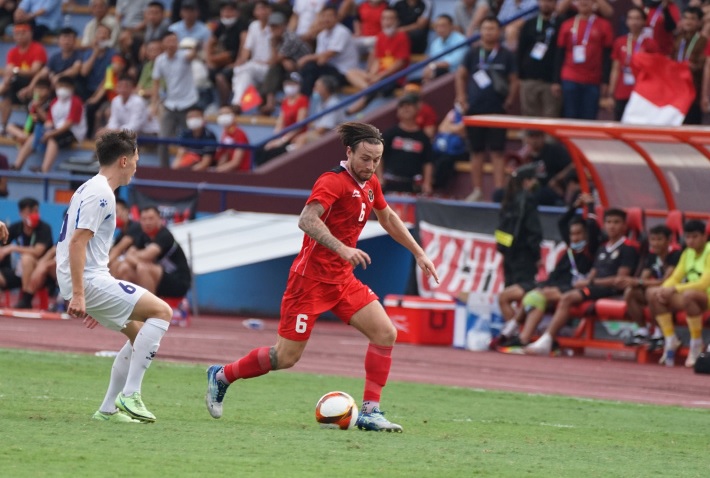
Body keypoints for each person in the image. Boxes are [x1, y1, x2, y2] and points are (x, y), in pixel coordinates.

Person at [204, 122, 440, 431]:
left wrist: (419, 252)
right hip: (310, 282)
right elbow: (306, 219)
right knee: (285, 357)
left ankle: (370, 411)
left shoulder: (370, 184)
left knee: (385, 333)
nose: (370, 166)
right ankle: (222, 375)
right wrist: (342, 248)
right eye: (365, 159)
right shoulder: (332, 182)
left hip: (342, 280)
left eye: (376, 160)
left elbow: (388, 217)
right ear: (349, 152)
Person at [56, 130, 173, 423]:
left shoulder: (88, 188)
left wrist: (92, 298)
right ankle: (130, 394)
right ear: (123, 161)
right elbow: (77, 242)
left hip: (88, 279)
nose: (137, 165)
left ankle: (107, 410)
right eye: (135, 159)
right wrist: (82, 294)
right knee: (162, 311)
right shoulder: (102, 195)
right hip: (88, 279)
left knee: (138, 335)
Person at [524, 208, 640, 355]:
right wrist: (586, 280)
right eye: (609, 222)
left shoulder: (628, 248)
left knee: (568, 297)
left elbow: (619, 280)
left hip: (609, 289)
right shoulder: (603, 248)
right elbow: (594, 272)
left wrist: (593, 282)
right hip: (594, 287)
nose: (612, 226)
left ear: (624, 226)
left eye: (616, 222)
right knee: (549, 294)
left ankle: (547, 339)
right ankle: (528, 335)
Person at [496, 194, 599, 347]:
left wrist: (590, 206)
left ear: (586, 235)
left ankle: (520, 337)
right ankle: (515, 334)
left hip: (567, 287)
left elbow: (592, 227)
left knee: (536, 297)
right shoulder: (570, 247)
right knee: (504, 296)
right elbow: (562, 222)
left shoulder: (589, 250)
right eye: (572, 234)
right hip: (549, 283)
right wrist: (574, 207)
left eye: (579, 234)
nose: (575, 238)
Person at [455, 16, 518, 202]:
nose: (488, 32)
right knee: (476, 151)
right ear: (480, 31)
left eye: (492, 29)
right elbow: (461, 76)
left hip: (497, 110)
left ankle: (499, 192)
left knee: (498, 151)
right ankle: (477, 190)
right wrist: (462, 98)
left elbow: (514, 81)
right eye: (485, 28)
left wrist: (509, 100)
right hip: (475, 110)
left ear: (499, 32)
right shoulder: (472, 53)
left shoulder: (507, 55)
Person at [647, 220, 709, 368]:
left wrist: (674, 289)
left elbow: (703, 284)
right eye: (688, 237)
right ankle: (670, 339)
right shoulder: (687, 253)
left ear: (704, 236)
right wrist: (664, 289)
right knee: (653, 293)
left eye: (695, 237)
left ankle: (696, 343)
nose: (691, 241)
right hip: (691, 296)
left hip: (705, 296)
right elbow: (675, 277)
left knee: (689, 295)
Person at [617, 224, 680, 346]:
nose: (655, 243)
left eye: (659, 239)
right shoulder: (652, 255)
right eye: (653, 239)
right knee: (631, 291)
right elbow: (643, 278)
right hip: (657, 291)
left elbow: (666, 281)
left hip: (673, 293)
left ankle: (659, 332)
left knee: (652, 292)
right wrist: (631, 282)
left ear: (669, 240)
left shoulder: (676, 254)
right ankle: (642, 330)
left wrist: (639, 282)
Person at [553, 0, 613, 120]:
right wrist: (556, 81)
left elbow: (608, 56)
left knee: (589, 117)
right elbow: (559, 54)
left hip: (593, 79)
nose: (584, 2)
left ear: (594, 4)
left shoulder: (604, 25)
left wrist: (606, 81)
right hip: (570, 77)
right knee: (570, 115)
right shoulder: (567, 24)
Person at [115, 206, 192, 300]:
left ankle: (149, 311)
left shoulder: (165, 235)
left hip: (178, 281)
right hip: (158, 279)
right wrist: (135, 258)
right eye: (144, 219)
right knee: (125, 267)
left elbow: (147, 255)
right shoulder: (143, 236)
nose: (147, 222)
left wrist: (135, 257)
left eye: (151, 219)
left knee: (143, 268)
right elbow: (128, 255)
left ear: (160, 220)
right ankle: (127, 306)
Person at [13, 76, 87, 173]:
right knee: (35, 136)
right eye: (60, 86)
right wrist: (45, 132)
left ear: (72, 88)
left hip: (73, 132)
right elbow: (49, 121)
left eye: (66, 86)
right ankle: (17, 165)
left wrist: (50, 134)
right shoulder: (55, 102)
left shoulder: (76, 102)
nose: (62, 89)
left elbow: (69, 124)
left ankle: (44, 169)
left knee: (53, 139)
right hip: (56, 129)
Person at [344, 8, 411, 115]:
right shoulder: (380, 36)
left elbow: (400, 63)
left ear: (397, 21)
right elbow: (377, 60)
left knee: (379, 83)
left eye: (390, 19)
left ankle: (356, 107)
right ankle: (369, 88)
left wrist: (379, 76)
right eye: (384, 19)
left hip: (395, 77)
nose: (387, 22)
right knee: (351, 73)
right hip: (380, 75)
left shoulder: (402, 36)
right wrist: (372, 74)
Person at [151, 31, 199, 168]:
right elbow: (156, 83)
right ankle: (164, 170)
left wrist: (195, 47)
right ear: (163, 43)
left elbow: (192, 55)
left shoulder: (184, 56)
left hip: (188, 104)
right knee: (163, 140)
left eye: (175, 40)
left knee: (189, 141)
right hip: (170, 104)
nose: (172, 43)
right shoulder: (160, 60)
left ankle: (188, 169)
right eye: (169, 40)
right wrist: (154, 104)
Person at [603, 7, 658, 121]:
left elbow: (654, 71)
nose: (634, 22)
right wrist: (611, 93)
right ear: (627, 21)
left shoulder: (650, 44)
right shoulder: (620, 42)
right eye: (631, 18)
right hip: (622, 91)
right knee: (620, 123)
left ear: (644, 21)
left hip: (641, 93)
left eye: (637, 18)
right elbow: (615, 68)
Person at [495, 163, 542, 291]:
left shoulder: (508, 199)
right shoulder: (528, 200)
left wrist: (506, 250)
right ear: (526, 181)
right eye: (534, 180)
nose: (536, 183)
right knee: (522, 292)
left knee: (509, 291)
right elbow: (534, 231)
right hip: (524, 256)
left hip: (509, 256)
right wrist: (537, 256)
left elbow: (500, 231)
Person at [0, 197, 53, 308]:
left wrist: (13, 248)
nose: (34, 214)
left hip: (41, 273)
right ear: (21, 213)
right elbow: (3, 246)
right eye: (30, 211)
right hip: (20, 273)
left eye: (36, 211)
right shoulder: (15, 228)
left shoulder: (44, 228)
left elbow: (38, 251)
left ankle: (25, 299)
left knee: (27, 258)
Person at [298, 6, 359, 96]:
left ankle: (303, 98)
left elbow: (330, 53)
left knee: (310, 66)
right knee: (308, 68)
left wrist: (306, 58)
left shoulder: (342, 32)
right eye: (324, 16)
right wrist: (319, 58)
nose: (326, 19)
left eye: (330, 16)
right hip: (331, 69)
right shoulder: (322, 35)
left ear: (336, 18)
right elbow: (320, 59)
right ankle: (303, 98)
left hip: (345, 72)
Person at [517, 0, 564, 118]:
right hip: (529, 78)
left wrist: (557, 80)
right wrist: (520, 76)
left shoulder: (561, 24)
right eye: (543, 1)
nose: (546, 4)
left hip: (550, 81)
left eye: (549, 1)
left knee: (551, 118)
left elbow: (561, 53)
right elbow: (521, 50)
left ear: (555, 4)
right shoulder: (529, 23)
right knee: (529, 122)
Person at [378, 95, 433, 195]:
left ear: (417, 110)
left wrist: (427, 183)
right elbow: (378, 156)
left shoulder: (423, 137)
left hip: (413, 185)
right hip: (390, 184)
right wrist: (380, 178)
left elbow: (428, 162)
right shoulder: (390, 133)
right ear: (398, 112)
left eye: (409, 105)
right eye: (402, 106)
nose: (405, 108)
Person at [0, 23, 47, 135]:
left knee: (11, 82)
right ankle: (3, 125)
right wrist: (11, 73)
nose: (19, 36)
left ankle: (30, 129)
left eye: (23, 33)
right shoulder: (13, 52)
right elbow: (8, 71)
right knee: (8, 90)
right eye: (17, 34)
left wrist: (15, 70)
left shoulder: (38, 49)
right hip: (16, 84)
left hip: (34, 84)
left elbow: (34, 71)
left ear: (30, 34)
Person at [230, 1, 273, 113]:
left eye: (264, 8)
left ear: (270, 11)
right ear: (254, 12)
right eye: (259, 9)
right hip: (254, 67)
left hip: (269, 68)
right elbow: (247, 50)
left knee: (246, 69)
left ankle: (238, 102)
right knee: (241, 71)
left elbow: (277, 53)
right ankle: (238, 105)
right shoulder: (253, 26)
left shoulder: (274, 27)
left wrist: (267, 62)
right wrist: (241, 61)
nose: (262, 11)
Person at [518, 130, 573, 206]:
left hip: (551, 189)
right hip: (532, 189)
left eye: (537, 137)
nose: (534, 140)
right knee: (500, 194)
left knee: (538, 195)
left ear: (543, 137)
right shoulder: (523, 155)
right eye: (531, 137)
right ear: (526, 138)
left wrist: (556, 179)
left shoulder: (555, 150)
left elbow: (572, 165)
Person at [673, 7, 706, 125]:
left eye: (693, 19)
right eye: (686, 18)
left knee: (692, 124)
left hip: (694, 90)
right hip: (677, 90)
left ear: (699, 22)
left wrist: (689, 67)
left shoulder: (704, 41)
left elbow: (704, 65)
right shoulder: (678, 39)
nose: (688, 21)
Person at [422, 14, 467, 84]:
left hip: (456, 75)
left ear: (451, 26)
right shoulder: (435, 43)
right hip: (439, 73)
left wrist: (432, 66)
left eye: (443, 26)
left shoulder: (461, 40)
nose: (439, 29)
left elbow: (451, 62)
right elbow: (431, 59)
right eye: (437, 26)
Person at [108, 198, 144, 277]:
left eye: (116, 212)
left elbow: (118, 249)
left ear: (126, 211)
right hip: (130, 266)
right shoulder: (120, 234)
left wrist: (102, 267)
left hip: (143, 266)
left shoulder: (135, 226)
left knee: (116, 265)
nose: (114, 216)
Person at [212, 106, 252, 172]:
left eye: (227, 113)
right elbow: (224, 156)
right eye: (221, 114)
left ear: (234, 116)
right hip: (228, 172)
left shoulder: (239, 134)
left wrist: (216, 170)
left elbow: (236, 162)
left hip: (241, 173)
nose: (224, 116)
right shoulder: (225, 134)